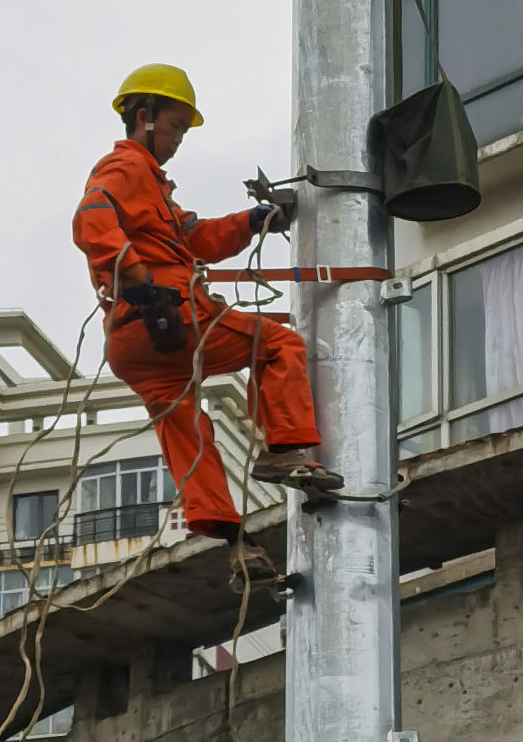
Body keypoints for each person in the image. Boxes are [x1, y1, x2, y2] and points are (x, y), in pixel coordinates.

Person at [72, 63, 342, 585]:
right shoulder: (124, 167)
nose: (178, 140)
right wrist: (139, 278)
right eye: (175, 126)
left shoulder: (155, 191)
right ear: (144, 117)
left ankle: (234, 540)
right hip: (168, 316)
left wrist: (252, 221)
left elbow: (197, 237)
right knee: (277, 344)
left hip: (135, 341)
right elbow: (89, 220)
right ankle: (284, 451)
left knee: (187, 432)